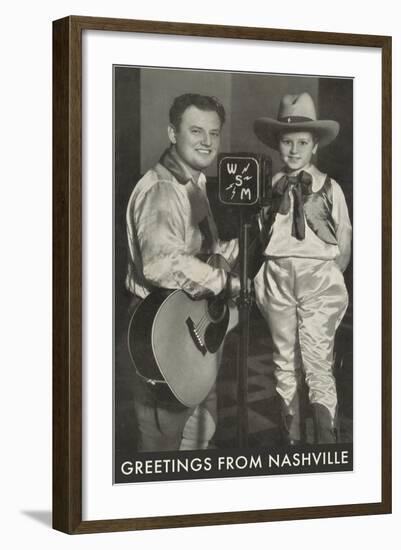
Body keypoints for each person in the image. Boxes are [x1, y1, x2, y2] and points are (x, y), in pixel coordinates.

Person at [125, 93, 240, 452]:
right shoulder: (163, 188)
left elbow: (195, 254)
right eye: (196, 131)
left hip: (191, 331)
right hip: (163, 335)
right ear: (172, 133)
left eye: (214, 133)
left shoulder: (193, 184)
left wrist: (238, 247)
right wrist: (224, 281)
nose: (207, 141)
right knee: (161, 446)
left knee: (197, 433)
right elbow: (161, 262)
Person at [253, 92, 352, 445]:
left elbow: (343, 245)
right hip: (277, 279)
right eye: (286, 142)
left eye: (302, 143)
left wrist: (322, 276)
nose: (293, 151)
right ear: (277, 144)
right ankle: (291, 444)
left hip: (318, 282)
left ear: (315, 147)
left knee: (316, 362)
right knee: (283, 360)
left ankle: (325, 445)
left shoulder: (330, 189)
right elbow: (258, 235)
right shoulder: (269, 188)